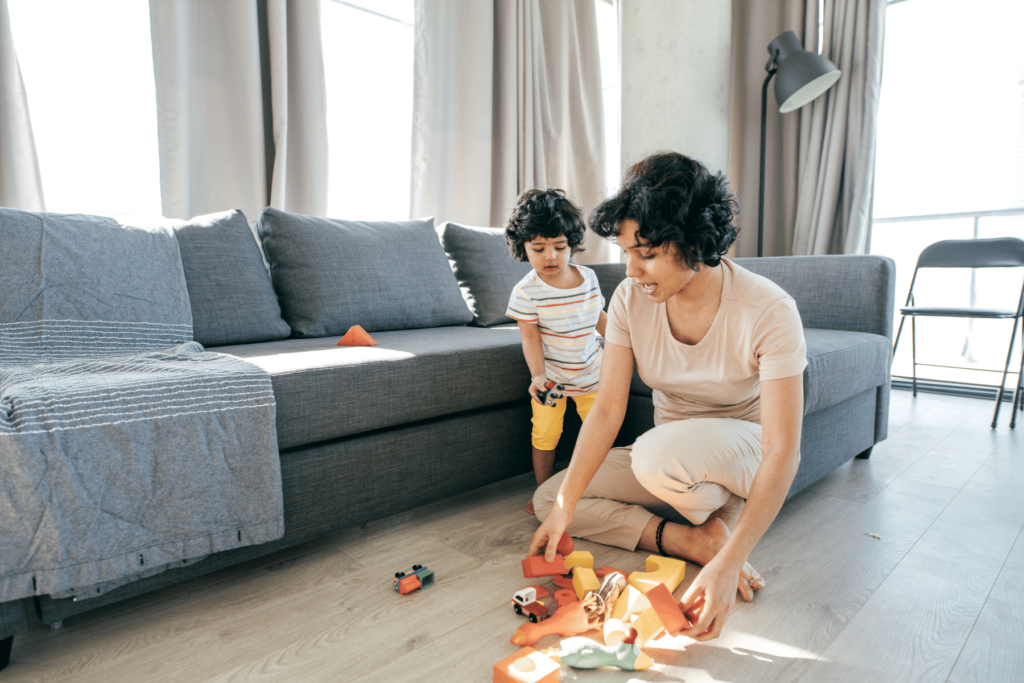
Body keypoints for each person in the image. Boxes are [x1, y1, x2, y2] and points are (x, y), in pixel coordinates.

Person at [528, 152, 807, 641]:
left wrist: (732, 564)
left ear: (696, 243)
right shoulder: (630, 300)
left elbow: (784, 448)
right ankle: (695, 539)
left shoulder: (769, 310)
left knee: (658, 456)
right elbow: (610, 408)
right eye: (626, 253)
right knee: (549, 495)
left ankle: (726, 533)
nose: (632, 271)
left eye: (648, 253)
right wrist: (565, 507)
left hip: (745, 447)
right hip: (668, 451)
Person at [504, 188, 608, 515]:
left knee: (600, 434)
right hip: (552, 383)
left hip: (593, 374)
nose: (550, 256)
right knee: (546, 434)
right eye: (538, 248)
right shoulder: (526, 292)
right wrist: (538, 376)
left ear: (572, 245)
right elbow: (530, 339)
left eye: (559, 247)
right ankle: (544, 493)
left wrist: (630, 346)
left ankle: (599, 489)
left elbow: (600, 320)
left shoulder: (589, 278)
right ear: (523, 248)